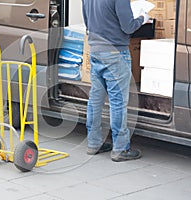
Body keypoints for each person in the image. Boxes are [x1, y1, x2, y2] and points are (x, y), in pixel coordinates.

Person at [82, 0, 149, 161]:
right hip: (116, 53)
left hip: (96, 51)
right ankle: (120, 148)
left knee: (95, 100)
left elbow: (87, 23)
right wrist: (142, 18)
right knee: (118, 102)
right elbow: (128, 26)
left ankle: (94, 143)